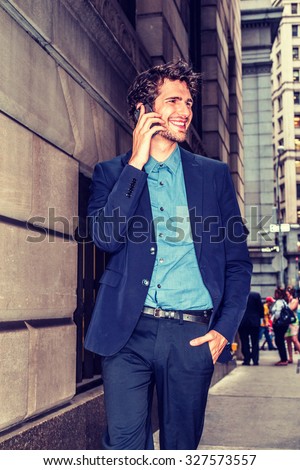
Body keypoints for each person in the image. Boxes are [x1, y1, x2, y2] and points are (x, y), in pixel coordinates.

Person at [84, 59, 252, 450]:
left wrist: (223, 332)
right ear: (144, 110)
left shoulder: (212, 175)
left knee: (180, 447)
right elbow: (106, 237)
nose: (186, 111)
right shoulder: (112, 174)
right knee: (124, 446)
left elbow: (238, 264)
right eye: (174, 100)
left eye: (189, 103)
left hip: (192, 337)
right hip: (127, 332)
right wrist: (136, 163)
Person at [238, 291, 264, 365]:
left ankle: (247, 359)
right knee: (255, 341)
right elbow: (260, 308)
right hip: (254, 322)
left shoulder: (239, 296)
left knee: (244, 341)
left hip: (242, 322)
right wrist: (261, 317)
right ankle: (255, 360)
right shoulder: (256, 295)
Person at [271, 287, 290, 365]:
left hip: (279, 324)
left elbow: (277, 313)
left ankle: (283, 359)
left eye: (275, 293)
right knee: (280, 340)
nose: (274, 294)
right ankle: (283, 358)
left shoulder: (278, 302)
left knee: (279, 341)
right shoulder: (284, 302)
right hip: (284, 324)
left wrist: (274, 320)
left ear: (278, 294)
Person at [284, 286, 300, 363]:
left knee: (294, 339)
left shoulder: (295, 300)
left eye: (287, 294)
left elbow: (291, 309)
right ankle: (290, 358)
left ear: (291, 293)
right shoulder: (286, 301)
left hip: (293, 322)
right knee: (288, 340)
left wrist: (288, 303)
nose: (286, 295)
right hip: (287, 322)